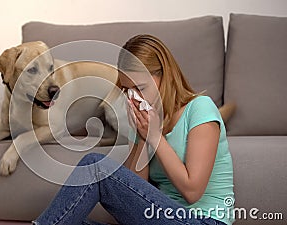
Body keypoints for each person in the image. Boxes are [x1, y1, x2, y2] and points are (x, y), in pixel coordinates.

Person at [32, 34, 234, 225]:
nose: (134, 98)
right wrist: (142, 137)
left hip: (203, 219)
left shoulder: (200, 108)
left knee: (95, 165)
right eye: (128, 90)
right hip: (157, 217)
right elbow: (132, 195)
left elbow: (192, 191)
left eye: (141, 88)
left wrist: (155, 137)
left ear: (166, 76)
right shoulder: (143, 121)